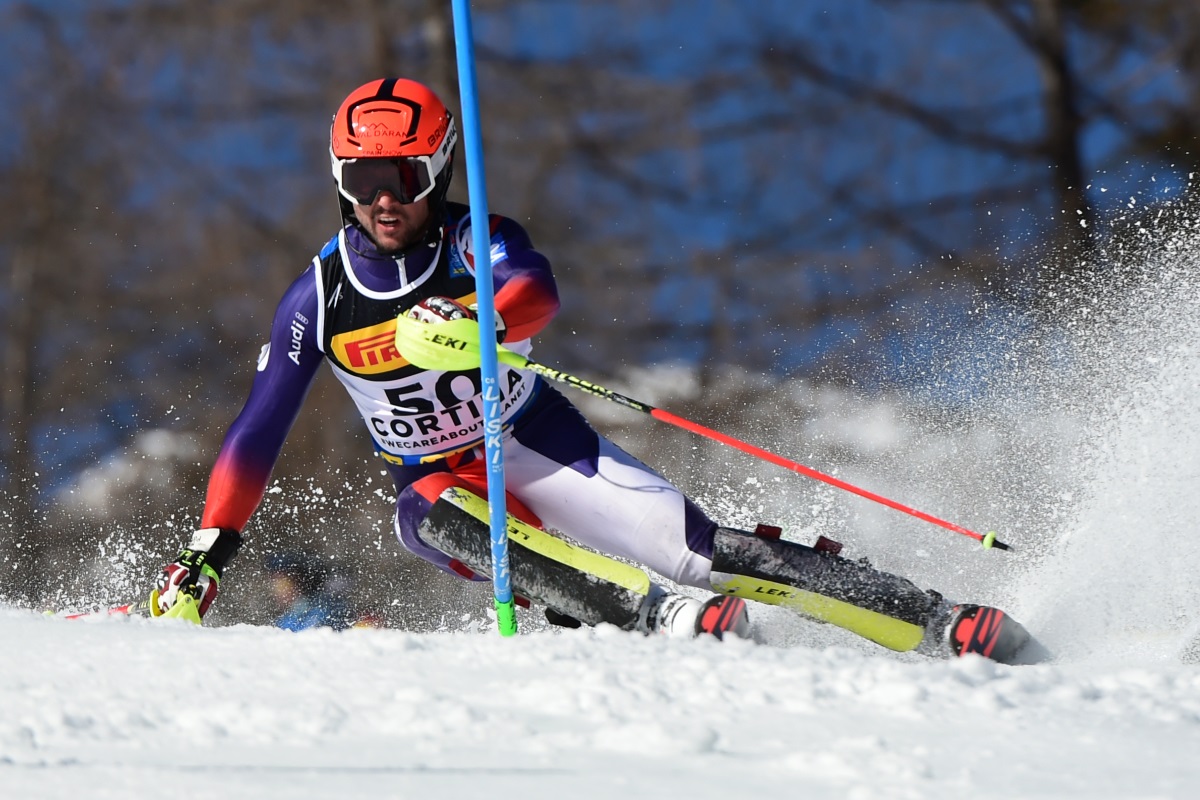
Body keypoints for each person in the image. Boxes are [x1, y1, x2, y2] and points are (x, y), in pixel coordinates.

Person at [149, 78, 1031, 661]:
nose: (386, 196)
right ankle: (648, 617)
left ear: (440, 167)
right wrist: (208, 555)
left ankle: (931, 618)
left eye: (407, 173)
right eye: (365, 175)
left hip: (541, 444)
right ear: (341, 177)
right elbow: (255, 430)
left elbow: (534, 293)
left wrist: (472, 319)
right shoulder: (318, 298)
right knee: (430, 515)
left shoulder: (473, 235)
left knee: (697, 550)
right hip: (440, 480)